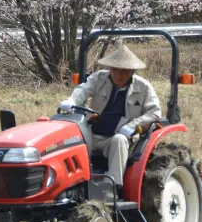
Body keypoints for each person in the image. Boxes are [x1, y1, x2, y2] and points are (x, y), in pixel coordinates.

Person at [58, 44, 162, 192]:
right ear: (110, 68)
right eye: (115, 70)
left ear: (132, 71)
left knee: (118, 140)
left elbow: (155, 113)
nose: (119, 75)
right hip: (92, 134)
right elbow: (83, 90)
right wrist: (71, 101)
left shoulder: (144, 87)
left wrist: (133, 125)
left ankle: (111, 188)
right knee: (70, 140)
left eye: (124, 71)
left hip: (119, 138)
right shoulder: (99, 78)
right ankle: (70, 186)